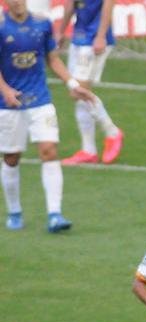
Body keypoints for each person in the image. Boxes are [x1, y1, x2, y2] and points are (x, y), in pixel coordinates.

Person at [1, 0, 93, 233]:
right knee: (11, 158)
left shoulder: (42, 24)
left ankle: (55, 214)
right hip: (9, 105)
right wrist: (6, 90)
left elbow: (52, 58)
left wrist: (72, 83)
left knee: (49, 151)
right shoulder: (1, 26)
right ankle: (14, 211)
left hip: (40, 99)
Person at [56, 0, 123, 165]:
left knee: (77, 91)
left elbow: (109, 3)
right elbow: (71, 3)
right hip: (79, 37)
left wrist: (101, 36)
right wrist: (61, 31)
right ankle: (88, 151)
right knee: (79, 96)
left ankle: (112, 132)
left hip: (94, 39)